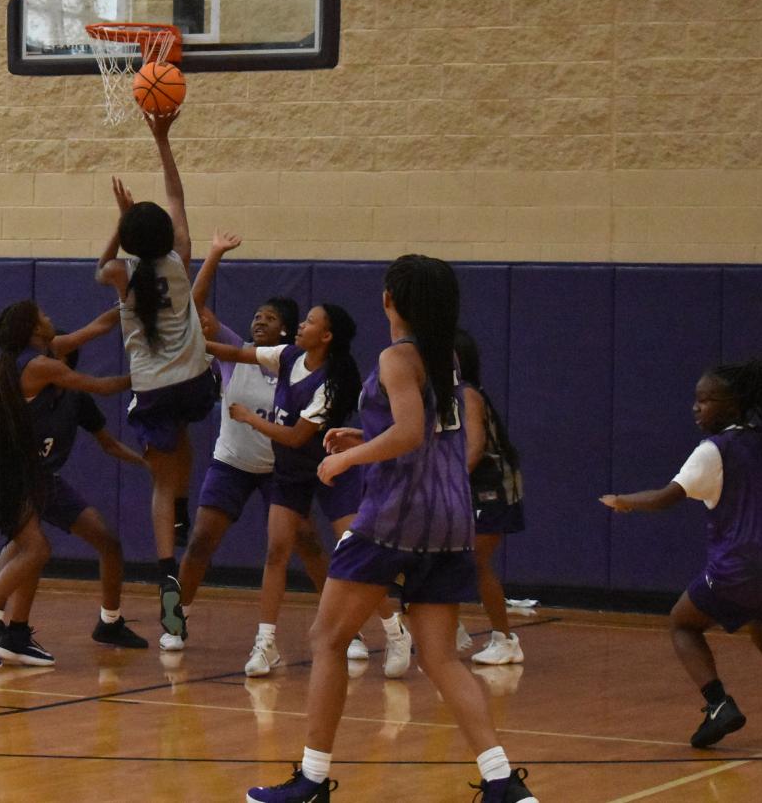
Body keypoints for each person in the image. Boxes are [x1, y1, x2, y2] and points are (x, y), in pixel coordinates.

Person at [247, 255, 537, 803]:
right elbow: (423, 428)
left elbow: (408, 433)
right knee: (442, 656)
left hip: (394, 517)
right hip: (449, 518)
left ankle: (311, 780)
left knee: (328, 639)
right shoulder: (444, 355)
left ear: (390, 300)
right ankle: (502, 783)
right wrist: (364, 434)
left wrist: (344, 463)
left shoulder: (397, 356)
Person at [601, 359, 762, 749]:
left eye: (705, 400)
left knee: (683, 623)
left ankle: (718, 704)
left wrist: (624, 501)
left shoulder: (713, 451)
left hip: (743, 564)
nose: (696, 407)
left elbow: (666, 497)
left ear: (733, 405)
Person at [157, 229, 327, 654]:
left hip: (281, 469)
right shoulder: (236, 350)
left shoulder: (299, 367)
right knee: (199, 541)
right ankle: (177, 618)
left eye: (268, 318)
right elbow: (193, 309)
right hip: (230, 463)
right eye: (256, 316)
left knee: (306, 542)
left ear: (287, 330)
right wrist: (213, 254)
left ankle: (342, 626)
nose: (258, 322)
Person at [0, 301, 132, 669]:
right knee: (34, 548)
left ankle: (14, 634)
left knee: (29, 547)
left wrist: (128, 303)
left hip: (17, 467)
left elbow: (95, 327)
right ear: (32, 329)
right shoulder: (39, 364)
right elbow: (101, 385)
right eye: (42, 315)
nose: (49, 317)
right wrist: (155, 376)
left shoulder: (43, 352)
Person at [97, 111, 218, 624]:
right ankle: (187, 511)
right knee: (182, 435)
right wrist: (161, 139)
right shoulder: (180, 259)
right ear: (165, 235)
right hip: (195, 384)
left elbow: (98, 268)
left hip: (153, 390)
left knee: (160, 485)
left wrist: (117, 225)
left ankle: (167, 574)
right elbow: (177, 195)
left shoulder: (122, 274)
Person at [204, 303, 362, 678]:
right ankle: (266, 643)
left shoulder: (329, 381)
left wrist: (249, 418)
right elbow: (236, 351)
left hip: (326, 469)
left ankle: (391, 628)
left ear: (326, 336)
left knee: (352, 553)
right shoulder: (288, 355)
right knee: (276, 551)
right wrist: (198, 343)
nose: (301, 325)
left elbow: (294, 437)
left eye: (309, 322)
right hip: (290, 473)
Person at [456, 328, 525, 666]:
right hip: (472, 486)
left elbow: (474, 448)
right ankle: (454, 628)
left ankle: (505, 639)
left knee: (472, 562)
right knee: (451, 559)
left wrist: (446, 481)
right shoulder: (447, 394)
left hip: (488, 487)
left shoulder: (467, 393)